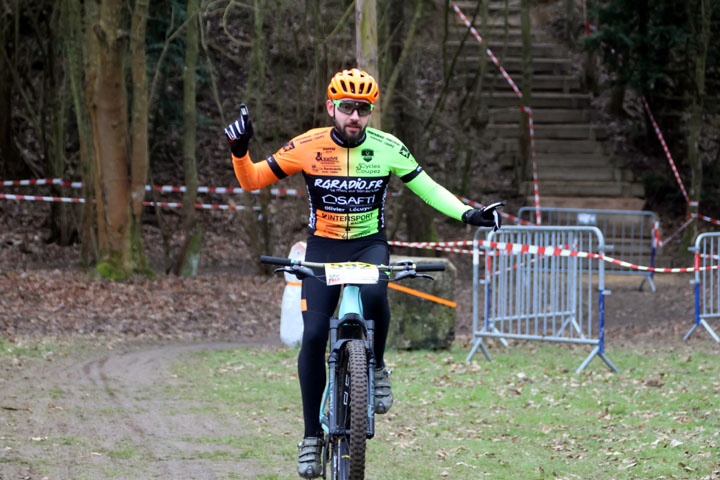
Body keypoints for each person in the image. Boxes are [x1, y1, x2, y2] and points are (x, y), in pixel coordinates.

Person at [225, 68, 503, 479]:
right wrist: (240, 150)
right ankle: (310, 439)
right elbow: (252, 180)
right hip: (323, 246)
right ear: (331, 108)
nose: (354, 116)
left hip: (369, 243)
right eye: (347, 108)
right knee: (315, 336)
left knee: (377, 294)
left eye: (363, 110)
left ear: (371, 112)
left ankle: (375, 367)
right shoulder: (307, 146)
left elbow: (428, 187)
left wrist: (468, 212)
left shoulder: (389, 147)